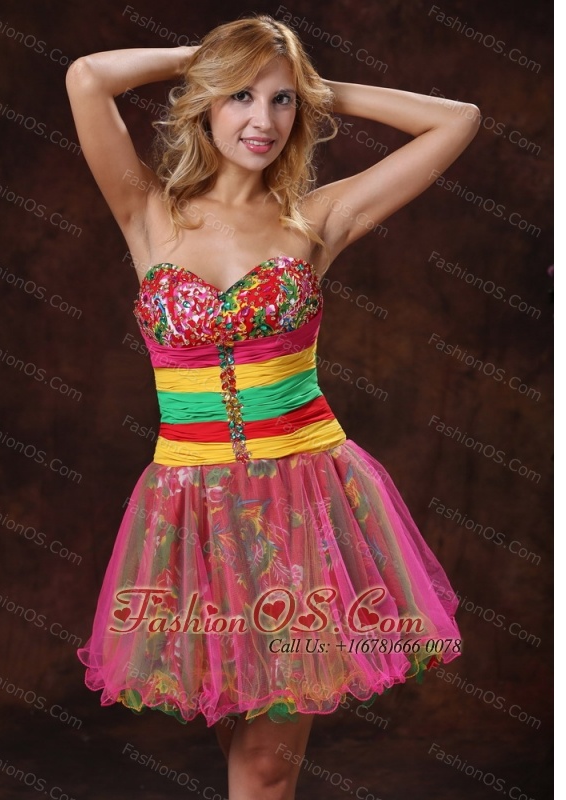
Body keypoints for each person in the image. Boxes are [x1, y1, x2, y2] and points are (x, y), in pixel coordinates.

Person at [66, 14, 479, 800]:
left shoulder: (315, 220)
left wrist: (315, 85)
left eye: (283, 101)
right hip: (189, 512)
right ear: (208, 100)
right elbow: (87, 76)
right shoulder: (148, 211)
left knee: (264, 765)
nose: (263, 120)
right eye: (241, 97)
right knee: (240, 740)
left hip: (303, 504)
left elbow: (456, 121)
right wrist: (214, 60)